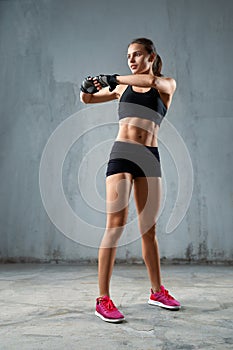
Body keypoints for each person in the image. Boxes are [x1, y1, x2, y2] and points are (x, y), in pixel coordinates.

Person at [80, 37, 181, 323]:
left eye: (137, 55)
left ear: (151, 56)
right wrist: (86, 88)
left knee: (149, 230)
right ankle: (103, 299)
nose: (132, 59)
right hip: (122, 152)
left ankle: (156, 291)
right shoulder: (122, 87)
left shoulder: (166, 85)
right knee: (115, 225)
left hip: (150, 156)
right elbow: (87, 99)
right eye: (128, 56)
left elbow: (152, 83)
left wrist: (111, 77)